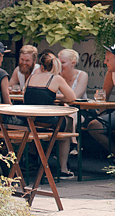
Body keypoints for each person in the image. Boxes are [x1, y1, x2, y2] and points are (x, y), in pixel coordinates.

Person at [23, 50, 77, 179]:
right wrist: (56, 97)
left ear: (41, 65)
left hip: (29, 122)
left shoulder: (31, 77)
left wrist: (51, 96)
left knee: (61, 125)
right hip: (47, 121)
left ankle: (35, 157)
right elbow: (71, 97)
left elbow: (26, 95)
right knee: (67, 124)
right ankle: (64, 168)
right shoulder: (56, 78)